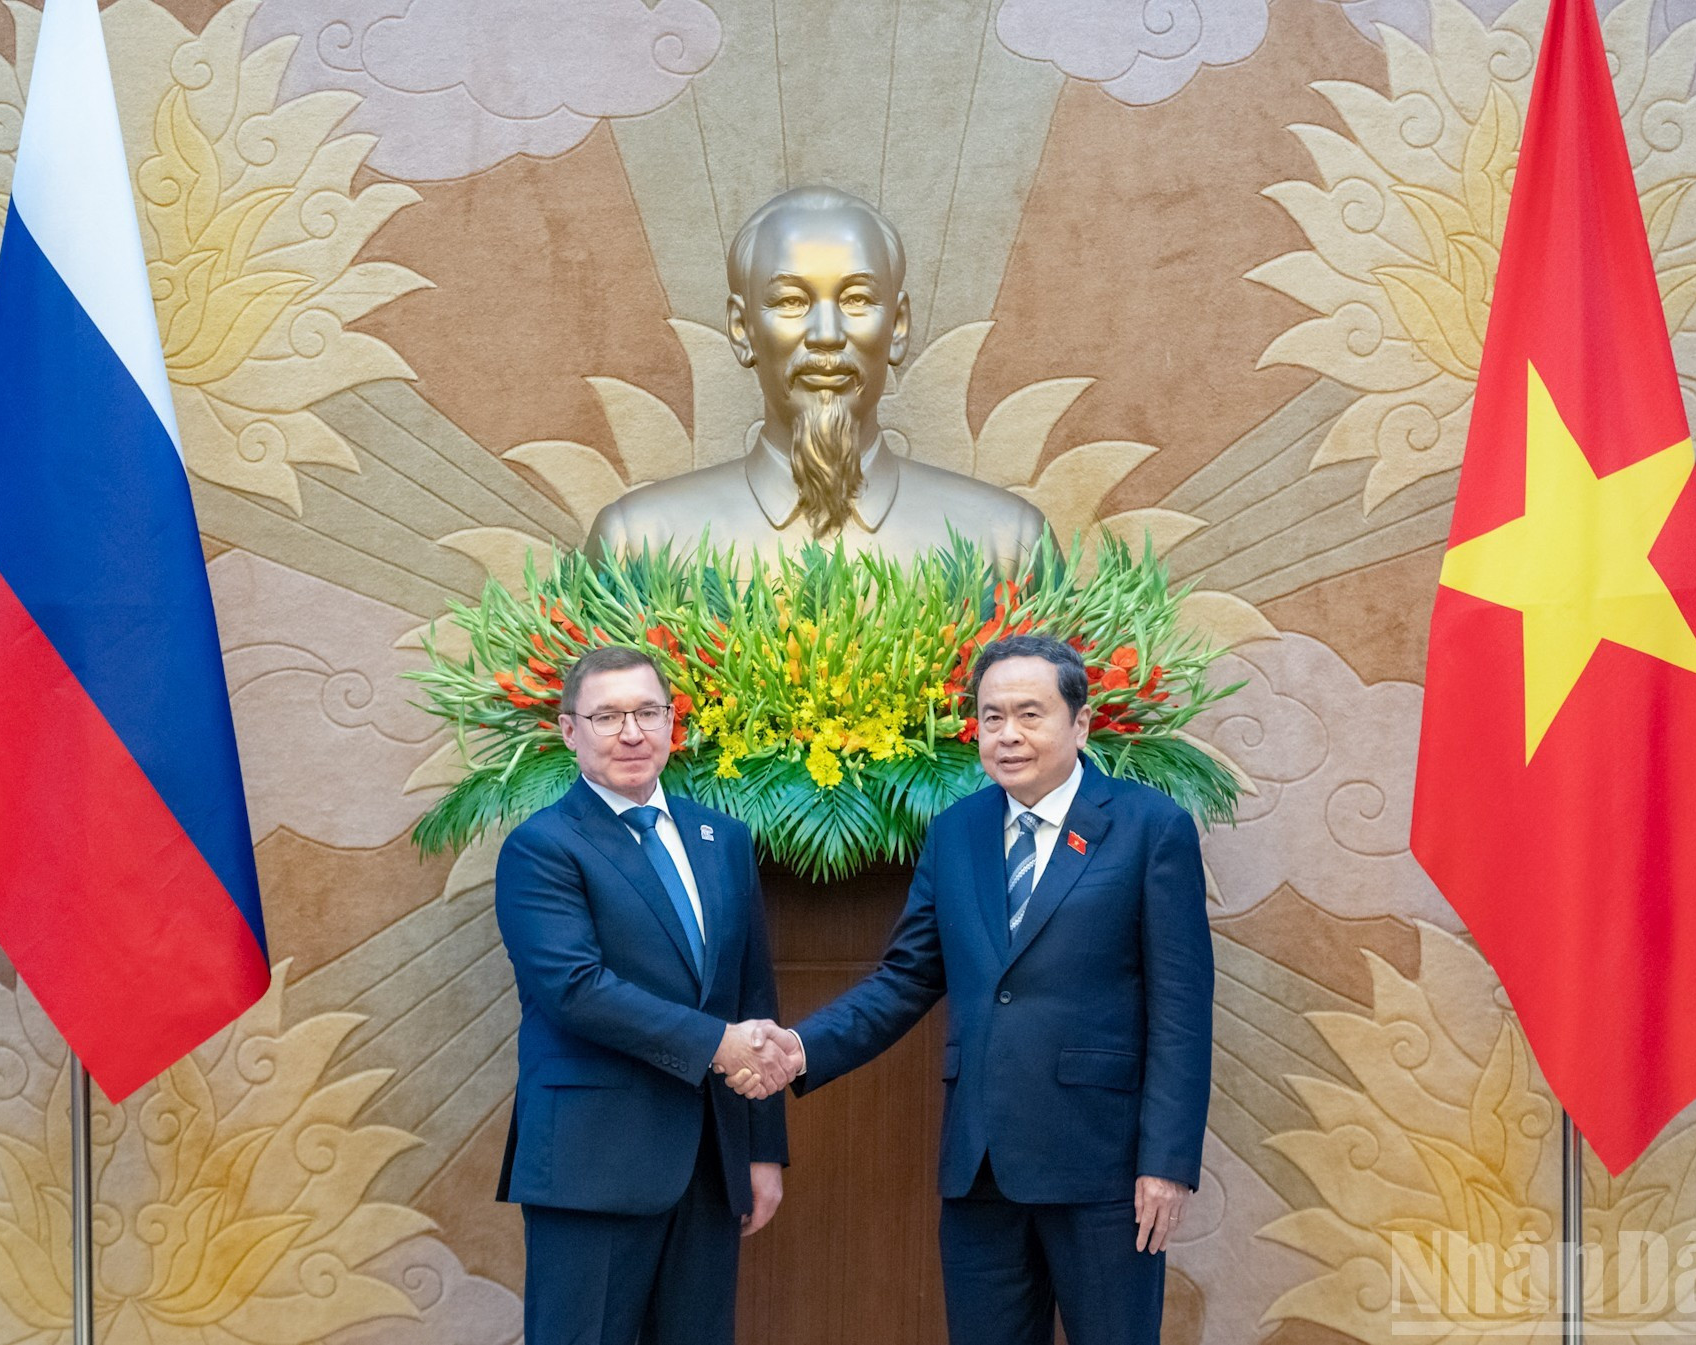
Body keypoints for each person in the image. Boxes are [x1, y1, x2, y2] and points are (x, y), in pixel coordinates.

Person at [749, 632, 1214, 1345]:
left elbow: (1182, 1010)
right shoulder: (956, 832)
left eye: (1030, 714)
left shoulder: (1150, 829)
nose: (1008, 734)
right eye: (992, 717)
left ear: (1079, 722)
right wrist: (802, 1048)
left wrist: (1166, 1163)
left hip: (1105, 1170)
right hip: (981, 1167)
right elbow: (907, 977)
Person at [493, 645, 796, 1345]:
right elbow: (576, 988)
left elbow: (753, 992)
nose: (631, 732)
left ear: (672, 723)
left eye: (647, 712)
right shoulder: (542, 847)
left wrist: (761, 1149)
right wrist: (717, 1044)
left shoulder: (723, 838)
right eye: (607, 715)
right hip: (591, 1163)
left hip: (709, 1165)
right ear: (570, 730)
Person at [584, 185, 1051, 576]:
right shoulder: (638, 546)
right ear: (742, 330)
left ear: (899, 326)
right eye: (790, 301)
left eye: (856, 299)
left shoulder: (1010, 545)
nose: (827, 335)